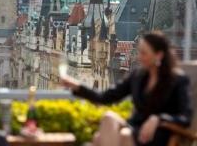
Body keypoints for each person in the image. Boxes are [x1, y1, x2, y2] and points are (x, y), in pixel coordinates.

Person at [61, 32, 192, 146]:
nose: (139, 57)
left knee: (111, 138)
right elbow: (105, 97)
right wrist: (76, 85)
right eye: (139, 52)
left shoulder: (178, 81)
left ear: (159, 55)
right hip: (134, 128)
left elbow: (185, 118)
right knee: (108, 118)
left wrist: (158, 118)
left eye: (144, 53)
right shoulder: (138, 77)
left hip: (157, 135)